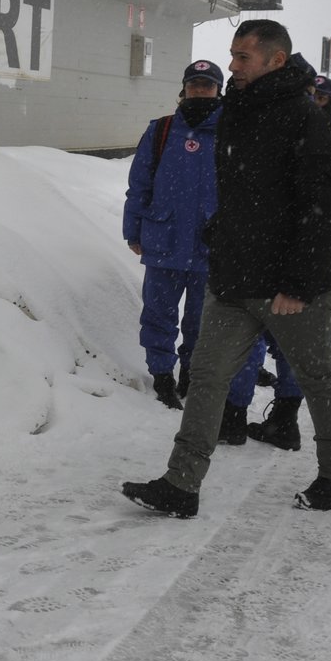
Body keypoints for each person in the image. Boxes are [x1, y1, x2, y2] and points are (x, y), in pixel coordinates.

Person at [122, 19, 331, 517]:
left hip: (289, 287)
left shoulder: (303, 117)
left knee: (316, 377)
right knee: (206, 377)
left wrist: (297, 283)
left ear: (275, 59)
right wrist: (219, 234)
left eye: (243, 57)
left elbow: (323, 206)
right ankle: (181, 485)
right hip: (233, 278)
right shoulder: (237, 112)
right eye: (232, 55)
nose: (232, 66)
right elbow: (242, 192)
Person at [233, 72, 331, 450]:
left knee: (295, 331)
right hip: (268, 234)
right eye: (310, 95)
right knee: (254, 325)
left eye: (321, 97)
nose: (314, 103)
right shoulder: (280, 122)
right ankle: (234, 413)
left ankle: (285, 416)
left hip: (313, 239)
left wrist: (312, 175)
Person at [122, 60, 224, 411]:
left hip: (210, 245)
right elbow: (139, 185)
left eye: (207, 85)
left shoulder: (232, 132)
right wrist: (132, 230)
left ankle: (191, 373)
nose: (200, 90)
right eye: (194, 84)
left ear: (218, 90)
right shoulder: (162, 131)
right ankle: (162, 374)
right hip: (163, 237)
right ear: (183, 89)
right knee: (158, 312)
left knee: (201, 318)